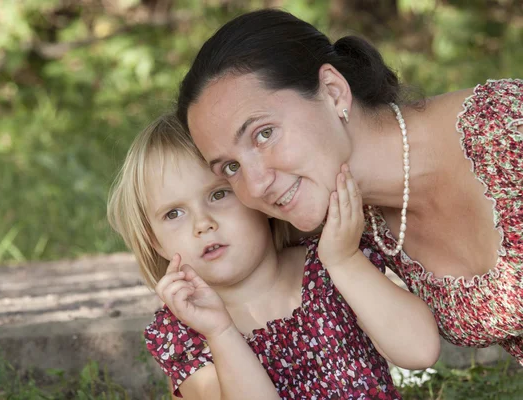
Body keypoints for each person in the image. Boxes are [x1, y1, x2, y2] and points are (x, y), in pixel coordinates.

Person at [175, 8, 523, 364]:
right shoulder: (354, 226)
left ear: (333, 91)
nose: (257, 185)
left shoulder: (507, 128)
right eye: (230, 167)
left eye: (263, 134)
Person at [107, 113, 439, 399]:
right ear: (155, 242)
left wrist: (344, 261)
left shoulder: (327, 265)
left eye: (219, 194)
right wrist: (221, 332)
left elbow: (420, 350)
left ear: (255, 193)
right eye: (173, 214)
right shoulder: (184, 332)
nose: (202, 224)